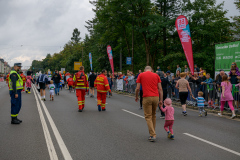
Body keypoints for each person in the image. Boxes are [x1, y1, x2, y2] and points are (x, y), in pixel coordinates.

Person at [135, 66, 163, 142]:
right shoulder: (156, 75)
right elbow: (160, 89)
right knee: (153, 115)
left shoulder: (141, 75)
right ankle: (153, 132)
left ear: (144, 70)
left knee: (148, 116)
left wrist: (136, 96)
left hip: (147, 97)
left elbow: (137, 88)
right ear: (151, 70)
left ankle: (153, 134)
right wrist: (161, 100)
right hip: (156, 97)